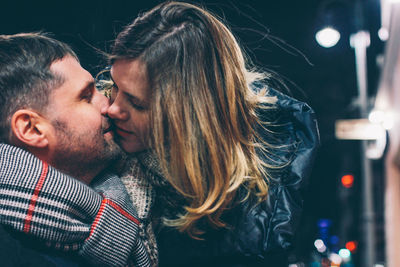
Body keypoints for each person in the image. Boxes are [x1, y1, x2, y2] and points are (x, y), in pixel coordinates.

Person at [97, 1, 319, 266]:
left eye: (139, 104)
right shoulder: (95, 141)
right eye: (115, 87)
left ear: (193, 115)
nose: (113, 109)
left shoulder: (252, 225)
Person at [0, 32, 150, 266]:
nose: (108, 105)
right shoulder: (13, 253)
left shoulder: (136, 193)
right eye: (87, 96)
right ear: (32, 129)